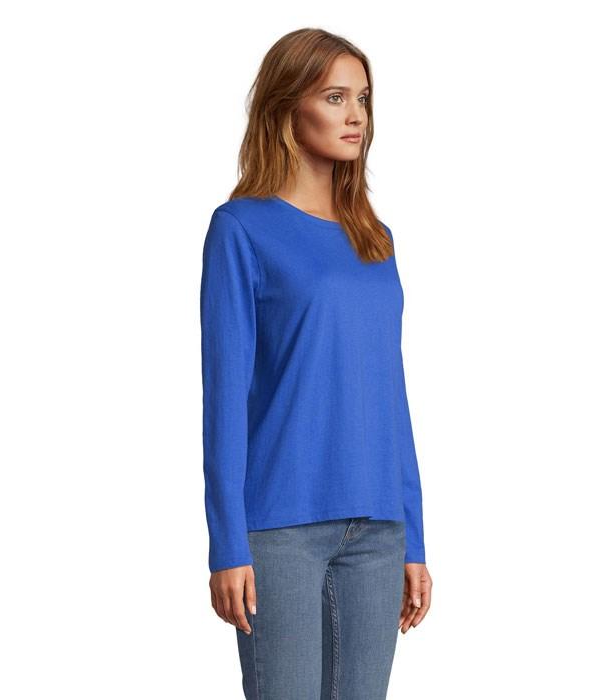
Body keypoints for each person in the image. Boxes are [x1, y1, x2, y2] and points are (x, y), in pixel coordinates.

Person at [200, 27, 433, 699]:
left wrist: (414, 536)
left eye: (362, 98)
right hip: (281, 527)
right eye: (335, 97)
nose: (355, 115)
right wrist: (227, 543)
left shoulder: (376, 239)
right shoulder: (241, 229)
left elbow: (390, 394)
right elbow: (225, 397)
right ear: (286, 107)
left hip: (379, 527)